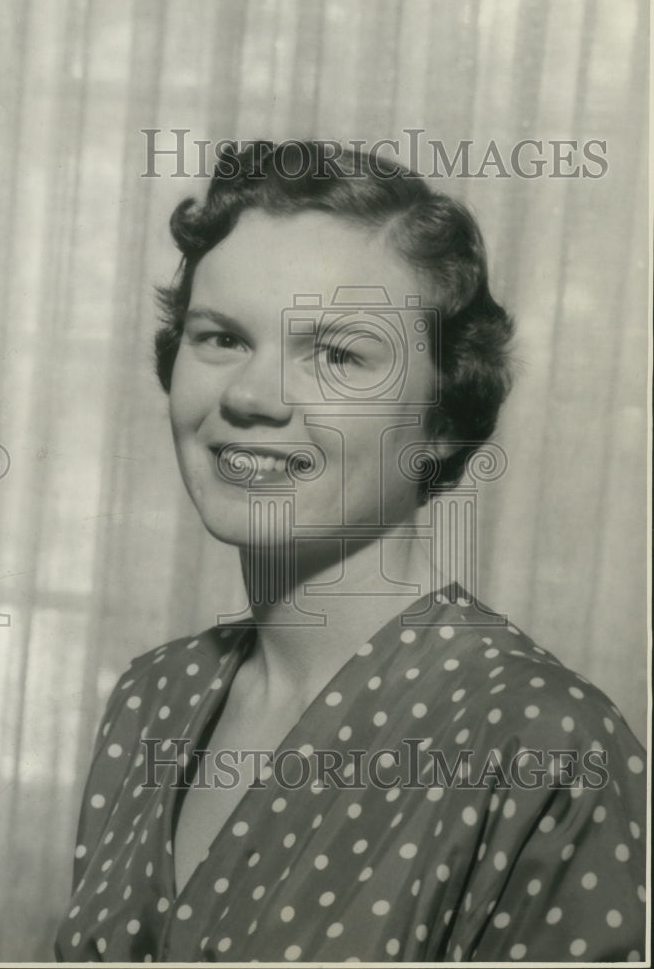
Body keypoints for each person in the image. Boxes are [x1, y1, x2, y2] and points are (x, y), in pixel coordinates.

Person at [55, 142, 646, 962]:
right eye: (221, 338)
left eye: (337, 356)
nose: (252, 398)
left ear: (442, 416)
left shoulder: (541, 741)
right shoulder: (155, 696)